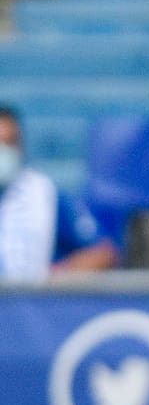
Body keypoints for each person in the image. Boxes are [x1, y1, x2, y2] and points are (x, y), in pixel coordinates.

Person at [0, 105, 119, 281]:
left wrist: (52, 280)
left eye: (9, 143)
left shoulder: (42, 194)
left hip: (30, 297)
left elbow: (103, 253)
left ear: (21, 147)